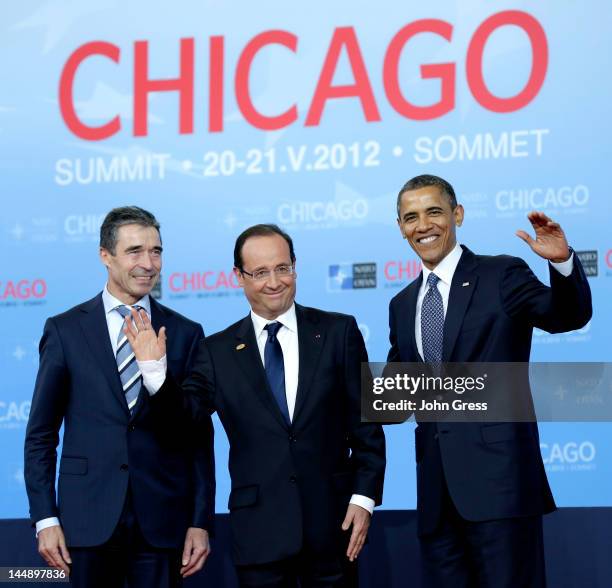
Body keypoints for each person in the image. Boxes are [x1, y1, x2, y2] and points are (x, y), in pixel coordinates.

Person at [125, 223, 386, 587]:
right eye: (260, 272)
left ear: (295, 266)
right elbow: (185, 420)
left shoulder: (338, 332)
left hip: (333, 528)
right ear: (239, 276)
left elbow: (367, 425)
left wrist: (364, 497)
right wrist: (154, 372)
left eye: (283, 268)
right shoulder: (216, 351)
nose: (275, 281)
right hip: (258, 535)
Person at [387, 175, 592, 587]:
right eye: (411, 217)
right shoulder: (402, 303)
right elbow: (398, 394)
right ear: (400, 227)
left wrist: (562, 263)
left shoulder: (501, 274)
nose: (422, 225)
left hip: (501, 490)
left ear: (457, 214)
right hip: (436, 499)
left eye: (433, 212)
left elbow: (567, 316)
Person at [24, 206, 215, 588]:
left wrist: (199, 520)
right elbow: (41, 434)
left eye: (156, 251)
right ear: (105, 256)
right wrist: (46, 518)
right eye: (135, 251)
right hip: (87, 519)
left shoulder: (185, 333)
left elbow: (197, 436)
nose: (148, 263)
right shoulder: (65, 330)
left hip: (163, 521)